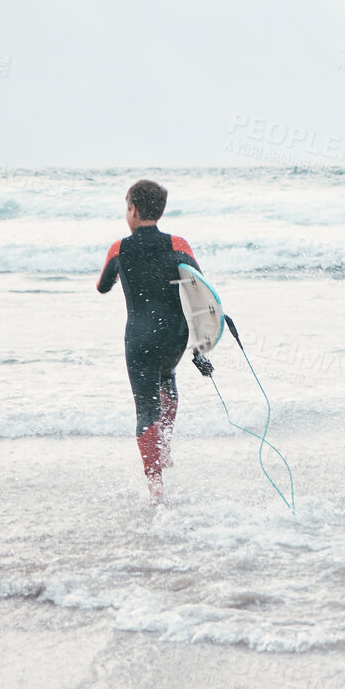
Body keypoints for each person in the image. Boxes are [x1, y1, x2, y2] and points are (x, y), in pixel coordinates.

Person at [96, 179, 200, 500]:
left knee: (145, 409)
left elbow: (102, 286)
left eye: (127, 207)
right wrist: (201, 343)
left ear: (134, 209)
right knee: (166, 378)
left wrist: (121, 272)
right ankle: (164, 444)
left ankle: (155, 484)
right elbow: (199, 286)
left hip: (139, 336)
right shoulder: (178, 244)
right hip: (175, 337)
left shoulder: (119, 248)